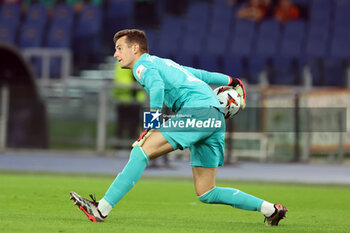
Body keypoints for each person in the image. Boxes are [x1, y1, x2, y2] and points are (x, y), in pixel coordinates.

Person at [69, 29, 288, 226]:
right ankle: (270, 209)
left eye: (119, 48)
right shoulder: (167, 63)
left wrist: (151, 124)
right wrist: (232, 80)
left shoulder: (142, 65)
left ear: (135, 48)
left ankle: (102, 209)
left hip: (197, 112)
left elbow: (156, 88)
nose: (116, 54)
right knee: (206, 192)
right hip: (215, 119)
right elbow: (203, 75)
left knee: (141, 151)